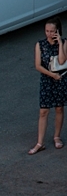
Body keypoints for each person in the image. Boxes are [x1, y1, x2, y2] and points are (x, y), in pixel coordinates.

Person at [28, 16, 67, 155]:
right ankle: (40, 142)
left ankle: (57, 136)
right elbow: (38, 65)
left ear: (57, 31)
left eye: (52, 31)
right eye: (47, 31)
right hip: (47, 80)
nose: (49, 34)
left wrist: (60, 43)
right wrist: (52, 75)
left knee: (59, 108)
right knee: (43, 111)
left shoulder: (64, 43)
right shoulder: (40, 45)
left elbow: (62, 60)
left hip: (61, 79)